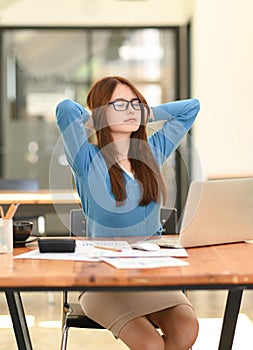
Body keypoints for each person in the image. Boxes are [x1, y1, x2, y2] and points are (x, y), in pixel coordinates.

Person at [56, 76, 200, 350]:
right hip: (103, 278)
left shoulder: (152, 153)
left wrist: (142, 113)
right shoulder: (86, 159)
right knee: (150, 345)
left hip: (151, 272)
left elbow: (191, 107)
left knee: (187, 328)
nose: (131, 110)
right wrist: (99, 118)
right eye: (119, 104)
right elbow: (65, 109)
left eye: (136, 103)